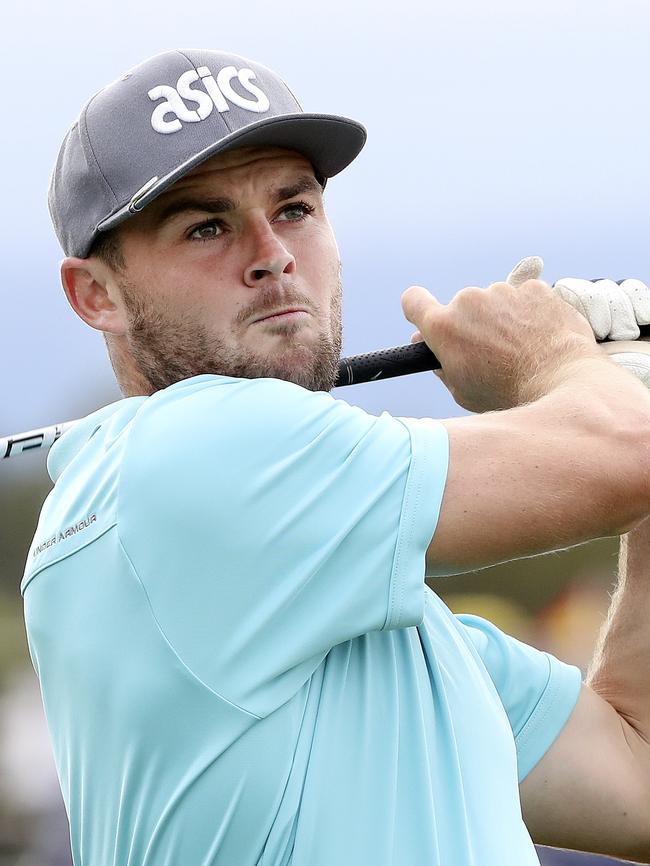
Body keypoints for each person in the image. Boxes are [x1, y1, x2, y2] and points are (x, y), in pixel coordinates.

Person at [23, 48, 650, 866]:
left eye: (295, 209)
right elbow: (627, 451)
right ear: (95, 294)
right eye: (206, 226)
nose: (272, 253)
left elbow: (637, 785)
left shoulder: (376, 611)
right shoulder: (191, 449)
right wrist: (558, 364)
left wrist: (622, 401)